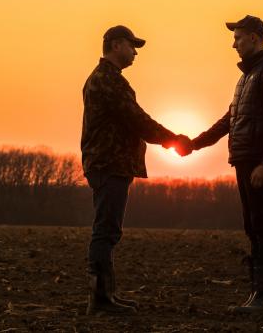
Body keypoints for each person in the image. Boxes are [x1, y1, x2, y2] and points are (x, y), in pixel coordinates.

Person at [181, 15, 263, 313]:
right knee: (251, 225)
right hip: (243, 158)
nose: (234, 44)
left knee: (262, 224)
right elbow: (229, 120)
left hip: (256, 160)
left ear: (255, 38)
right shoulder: (246, 78)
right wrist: (193, 144)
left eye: (238, 37)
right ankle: (257, 292)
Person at [81, 25, 191, 315]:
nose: (135, 52)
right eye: (132, 46)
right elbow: (137, 120)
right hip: (109, 164)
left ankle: (106, 295)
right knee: (106, 230)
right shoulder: (109, 81)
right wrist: (173, 140)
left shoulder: (105, 79)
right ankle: (101, 299)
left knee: (108, 229)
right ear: (116, 45)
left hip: (108, 163)